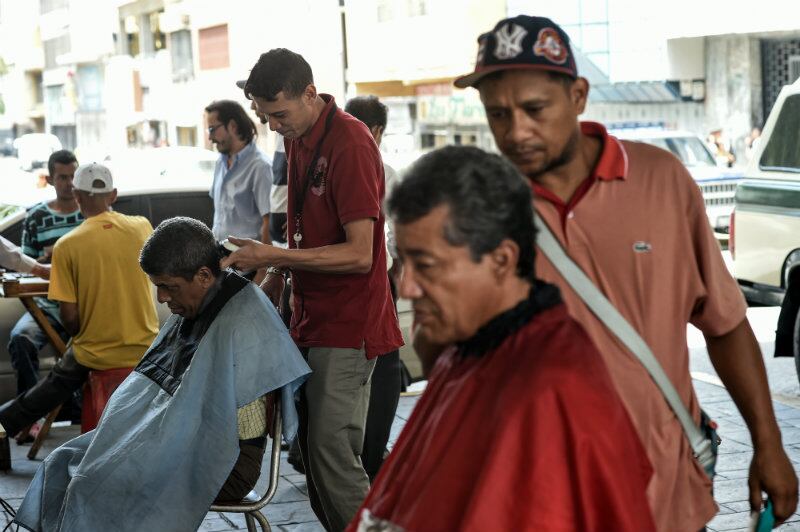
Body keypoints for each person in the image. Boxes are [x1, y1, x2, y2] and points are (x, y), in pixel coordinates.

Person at [450, 15, 798, 530]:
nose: (516, 131)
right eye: (497, 114)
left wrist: (768, 444)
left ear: (579, 96)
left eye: (534, 109)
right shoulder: (479, 210)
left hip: (664, 494)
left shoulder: (663, 183)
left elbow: (724, 324)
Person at [348, 145, 656, 531]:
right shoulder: (465, 350)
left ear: (501, 260)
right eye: (403, 263)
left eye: (425, 266)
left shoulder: (552, 389)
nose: (407, 287)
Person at [12, 217, 311, 532]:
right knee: (64, 461)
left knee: (98, 482)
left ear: (204, 275)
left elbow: (223, 431)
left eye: (168, 287)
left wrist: (145, 445)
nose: (162, 299)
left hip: (226, 463)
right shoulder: (200, 304)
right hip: (186, 441)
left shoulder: (243, 320)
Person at [227, 48, 403, 531]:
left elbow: (359, 254)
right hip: (311, 317)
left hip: (349, 325)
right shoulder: (299, 136)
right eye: (266, 118)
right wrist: (271, 276)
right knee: (311, 453)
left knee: (331, 450)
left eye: (279, 115)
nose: (275, 127)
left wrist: (274, 256)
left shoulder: (350, 142)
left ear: (310, 93)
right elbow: (305, 232)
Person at [0, 162, 158, 447]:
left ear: (77, 196)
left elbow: (70, 319)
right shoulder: (142, 227)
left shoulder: (68, 245)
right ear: (113, 195)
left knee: (57, 381)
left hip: (96, 355)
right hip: (145, 348)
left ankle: (5, 423)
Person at [343, 94, 402, 481]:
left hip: (339, 285)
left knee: (348, 375)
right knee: (383, 373)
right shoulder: (385, 171)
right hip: (376, 280)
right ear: (377, 130)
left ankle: (355, 455)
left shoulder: (330, 165)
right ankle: (369, 456)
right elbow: (399, 240)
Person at [7, 150, 82, 416]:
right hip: (47, 306)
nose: (70, 182)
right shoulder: (37, 217)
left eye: (74, 175)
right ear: (51, 180)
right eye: (63, 177)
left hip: (85, 306)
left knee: (96, 347)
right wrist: (46, 259)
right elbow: (24, 265)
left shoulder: (91, 213)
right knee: (20, 340)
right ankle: (31, 416)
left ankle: (81, 412)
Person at [205, 99, 273, 280]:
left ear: (233, 126)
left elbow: (269, 223)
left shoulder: (260, 167)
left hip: (249, 272)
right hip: (224, 268)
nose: (210, 138)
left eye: (212, 129)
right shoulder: (221, 161)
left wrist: (262, 273)